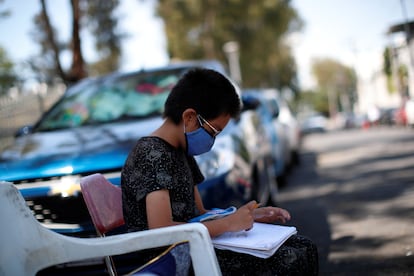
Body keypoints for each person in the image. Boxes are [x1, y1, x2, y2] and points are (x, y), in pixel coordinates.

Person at [121, 68, 318, 275]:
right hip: (169, 259)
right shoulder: (152, 154)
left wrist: (249, 216)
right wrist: (229, 224)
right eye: (213, 130)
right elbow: (161, 230)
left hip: (193, 246)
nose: (213, 140)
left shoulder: (180, 150)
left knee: (303, 246)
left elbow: (199, 214)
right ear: (189, 117)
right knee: (290, 260)